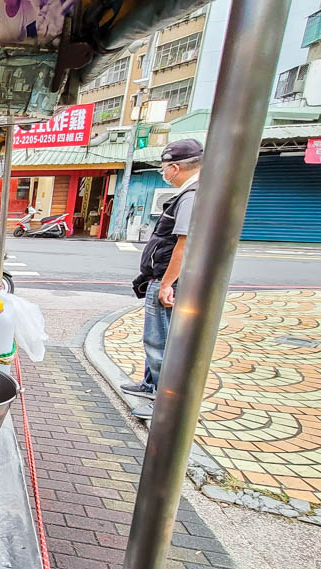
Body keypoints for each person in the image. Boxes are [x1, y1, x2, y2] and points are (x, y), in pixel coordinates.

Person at [124, 139, 204, 421]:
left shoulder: (192, 195)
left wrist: (167, 283)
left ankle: (164, 404)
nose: (163, 173)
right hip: (161, 276)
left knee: (159, 341)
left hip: (169, 280)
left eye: (164, 168)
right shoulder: (189, 193)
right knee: (156, 338)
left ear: (175, 167)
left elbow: (184, 243)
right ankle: (149, 384)